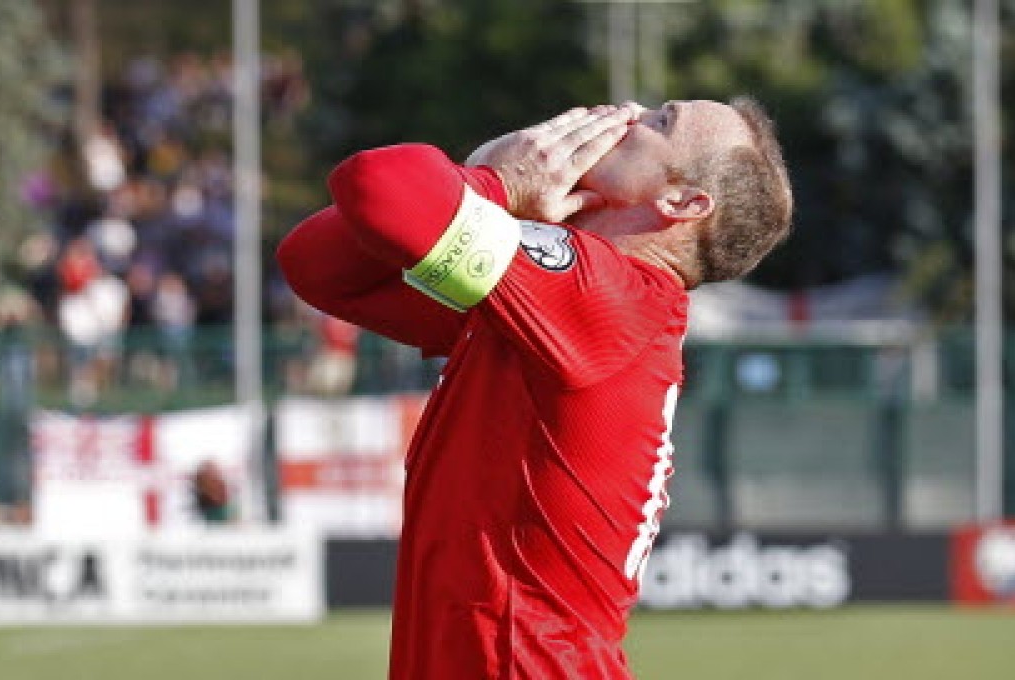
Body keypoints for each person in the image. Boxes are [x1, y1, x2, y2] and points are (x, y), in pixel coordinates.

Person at [278, 98, 791, 679]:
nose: (627, 113)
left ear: (682, 203)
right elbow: (319, 265)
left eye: (660, 122)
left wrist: (494, 181)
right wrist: (492, 190)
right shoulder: (558, 297)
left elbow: (378, 184)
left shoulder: (613, 298)